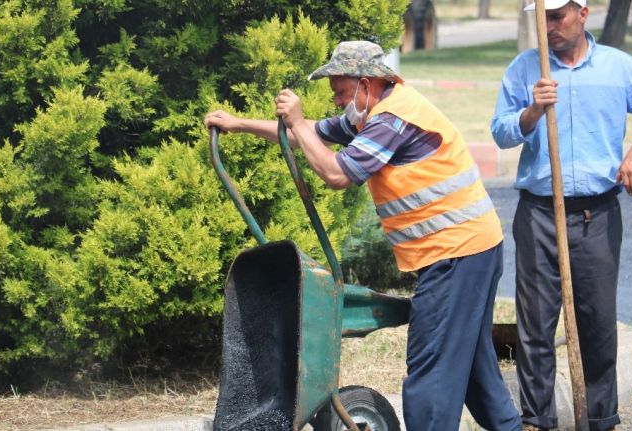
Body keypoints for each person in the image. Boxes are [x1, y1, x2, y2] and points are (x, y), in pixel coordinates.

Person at [206, 40, 521, 431]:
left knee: (432, 369)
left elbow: (338, 174)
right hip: (470, 249)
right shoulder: (371, 115)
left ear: (366, 84)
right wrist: (239, 124)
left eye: (340, 92)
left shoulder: (394, 119)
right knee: (472, 365)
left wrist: (299, 123)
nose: (337, 102)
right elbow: (309, 135)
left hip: (456, 253)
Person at [490, 0, 632, 430]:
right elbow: (500, 130)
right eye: (541, 18)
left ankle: (601, 419)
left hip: (597, 215)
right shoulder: (525, 69)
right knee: (535, 328)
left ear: (582, 15)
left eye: (556, 16)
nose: (547, 27)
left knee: (597, 323)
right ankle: (536, 420)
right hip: (538, 215)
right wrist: (531, 111)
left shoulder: (617, 68)